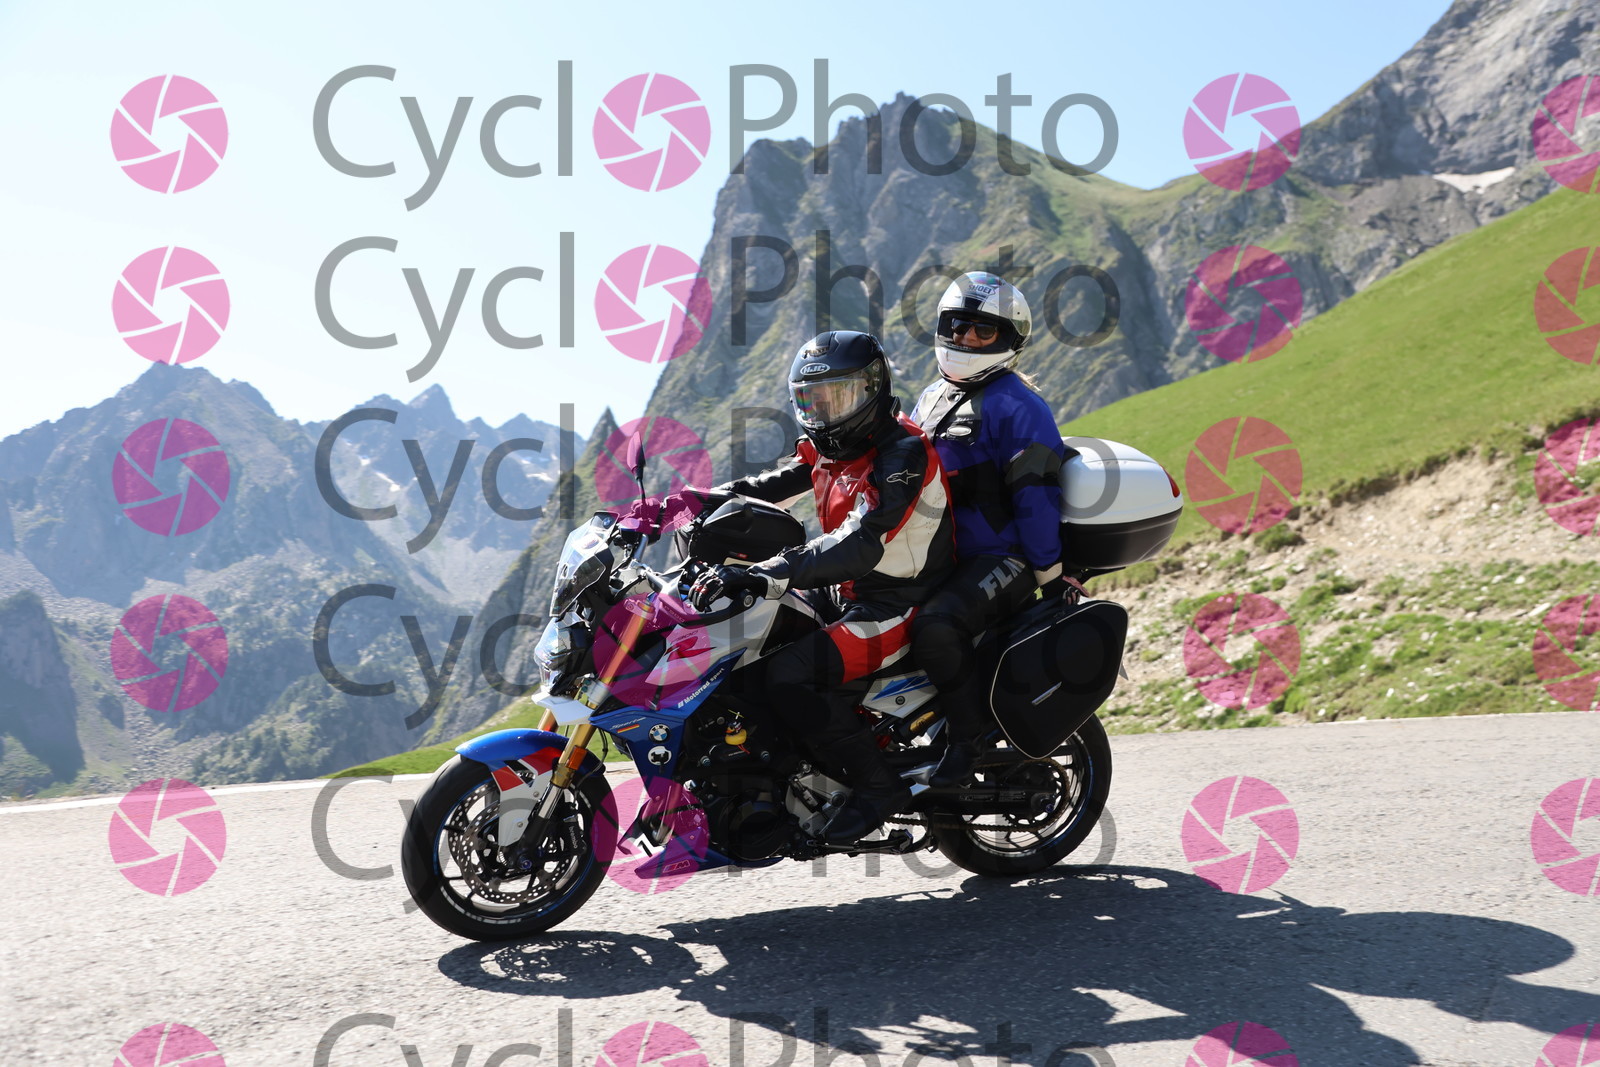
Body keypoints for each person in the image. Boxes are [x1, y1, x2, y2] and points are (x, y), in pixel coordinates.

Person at [685, 330, 954, 844]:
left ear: (873, 388)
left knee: (790, 675)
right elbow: (765, 488)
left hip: (897, 601)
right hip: (847, 591)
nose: (826, 412)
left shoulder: (901, 455)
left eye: (840, 396)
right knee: (748, 639)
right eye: (813, 400)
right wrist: (682, 505)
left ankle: (878, 788)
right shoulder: (833, 448)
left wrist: (767, 571)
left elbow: (860, 543)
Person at [909, 272, 1067, 788]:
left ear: (1009, 339)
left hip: (1003, 556)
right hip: (937, 555)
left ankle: (968, 737)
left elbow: (1036, 496)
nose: (967, 338)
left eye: (984, 330)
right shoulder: (932, 396)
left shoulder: (1019, 405)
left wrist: (1049, 574)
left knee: (936, 625)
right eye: (959, 325)